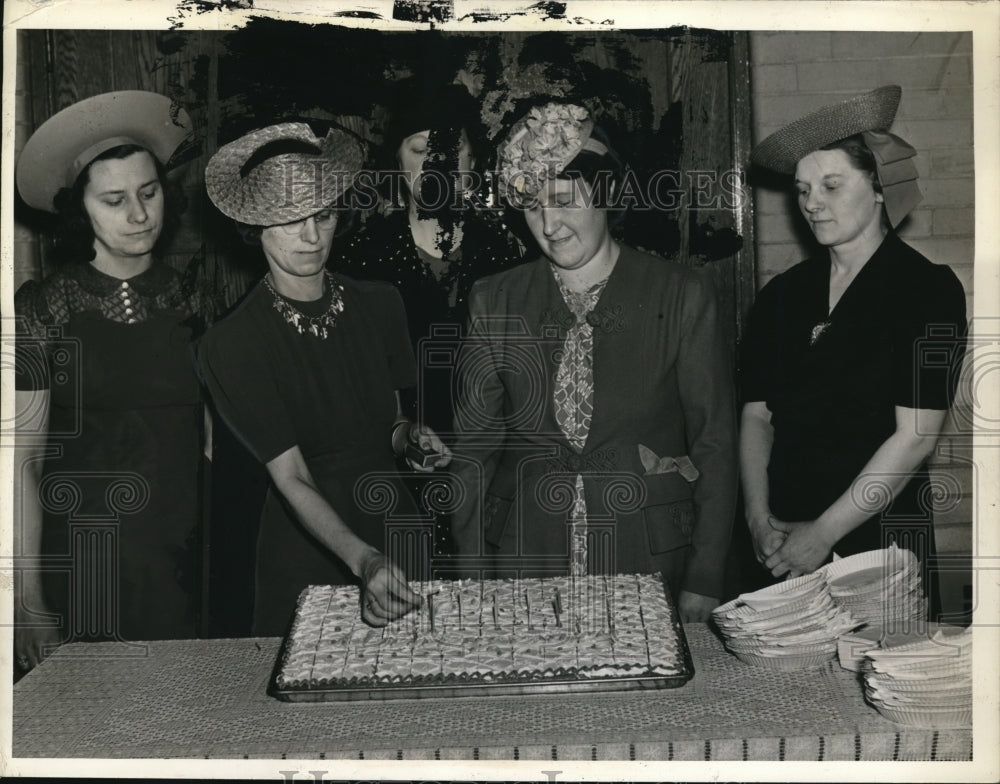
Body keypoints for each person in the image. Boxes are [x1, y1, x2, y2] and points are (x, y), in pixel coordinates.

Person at [449, 103, 738, 622]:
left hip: (647, 558)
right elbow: (473, 455)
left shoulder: (681, 295)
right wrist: (473, 582)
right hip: (524, 559)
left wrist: (705, 578)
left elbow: (715, 444)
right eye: (532, 205)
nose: (549, 225)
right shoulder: (495, 300)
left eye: (563, 201)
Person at [197, 122, 452, 635]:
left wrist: (411, 441)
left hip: (396, 531)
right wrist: (364, 561)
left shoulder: (380, 304)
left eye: (323, 214)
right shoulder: (232, 342)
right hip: (310, 549)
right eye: (290, 220)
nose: (311, 236)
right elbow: (291, 476)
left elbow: (392, 422)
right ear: (256, 228)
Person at [741, 85, 967, 614]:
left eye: (831, 185)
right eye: (802, 190)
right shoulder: (781, 296)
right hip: (780, 538)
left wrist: (823, 534)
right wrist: (757, 519)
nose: (812, 203)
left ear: (881, 187)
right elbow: (757, 415)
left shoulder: (927, 289)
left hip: (879, 540)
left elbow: (914, 438)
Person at [13, 91, 210, 673]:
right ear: (83, 212)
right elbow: (20, 464)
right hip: (86, 561)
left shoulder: (191, 297)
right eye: (115, 200)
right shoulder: (43, 309)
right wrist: (29, 602)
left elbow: (209, 442)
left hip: (182, 563)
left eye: (149, 194)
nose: (139, 215)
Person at [333, 79, 523, 435]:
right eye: (420, 150)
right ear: (399, 163)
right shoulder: (359, 260)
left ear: (474, 159)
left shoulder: (507, 258)